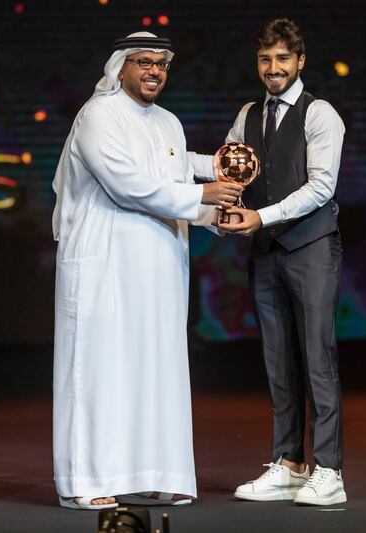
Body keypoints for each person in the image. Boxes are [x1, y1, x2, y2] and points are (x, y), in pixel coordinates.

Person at [50, 32, 242, 510]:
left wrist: (216, 217)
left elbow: (171, 187)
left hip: (158, 266)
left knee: (156, 369)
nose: (154, 71)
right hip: (103, 265)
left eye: (161, 64)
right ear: (121, 68)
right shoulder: (98, 116)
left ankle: (155, 474)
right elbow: (127, 187)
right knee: (99, 372)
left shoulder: (169, 123)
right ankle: (85, 482)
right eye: (143, 62)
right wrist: (204, 196)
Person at [217, 18, 347, 506]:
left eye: (282, 59)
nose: (273, 69)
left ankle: (329, 470)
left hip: (311, 248)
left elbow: (320, 187)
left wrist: (261, 216)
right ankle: (289, 463)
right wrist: (222, 215)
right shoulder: (248, 114)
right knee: (278, 361)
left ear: (300, 61)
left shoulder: (320, 114)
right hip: (267, 252)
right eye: (265, 60)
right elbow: (234, 176)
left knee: (317, 358)